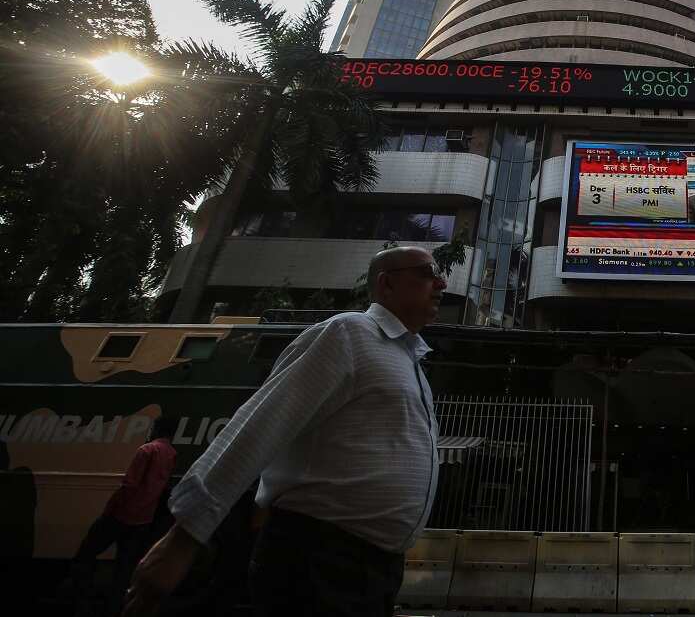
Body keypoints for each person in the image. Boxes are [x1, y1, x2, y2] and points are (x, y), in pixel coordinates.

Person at [124, 246, 446, 617]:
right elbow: (259, 427)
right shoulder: (350, 333)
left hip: (373, 569)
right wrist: (185, 537)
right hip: (317, 559)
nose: (441, 282)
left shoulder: (411, 361)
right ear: (386, 284)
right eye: (426, 273)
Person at [69, 416, 178, 616]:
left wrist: (110, 509)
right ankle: (116, 609)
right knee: (124, 570)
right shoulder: (171, 454)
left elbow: (129, 485)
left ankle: (79, 602)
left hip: (121, 515)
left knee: (85, 553)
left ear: (157, 429)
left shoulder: (146, 450)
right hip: (143, 520)